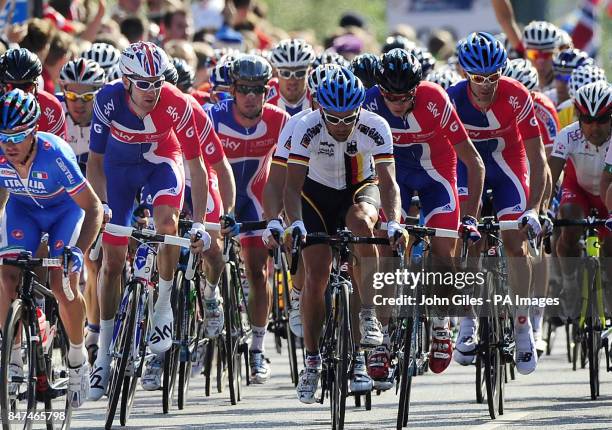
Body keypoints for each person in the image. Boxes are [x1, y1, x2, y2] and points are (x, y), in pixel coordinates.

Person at [87, 41, 211, 400]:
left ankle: (163, 307)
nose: (152, 91)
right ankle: (103, 356)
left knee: (167, 227)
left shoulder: (176, 103)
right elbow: (94, 163)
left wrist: (200, 221)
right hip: (119, 171)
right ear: (126, 80)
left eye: (156, 82)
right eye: (143, 83)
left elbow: (196, 168)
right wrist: (104, 206)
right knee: (111, 263)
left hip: (161, 165)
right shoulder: (107, 100)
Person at [283, 66, 408, 403]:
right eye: (333, 119)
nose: (340, 126)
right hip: (316, 196)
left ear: (359, 111)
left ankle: (368, 314)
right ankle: (311, 361)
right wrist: (295, 223)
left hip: (359, 190)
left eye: (347, 118)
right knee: (316, 274)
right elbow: (292, 187)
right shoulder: (306, 127)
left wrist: (394, 221)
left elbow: (389, 182)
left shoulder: (375, 126)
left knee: (363, 226)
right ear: (320, 109)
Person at [363, 48, 485, 377]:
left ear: (416, 89)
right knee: (386, 254)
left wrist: (470, 218)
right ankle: (383, 341)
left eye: (404, 97)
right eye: (390, 96)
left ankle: (441, 325)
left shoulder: (436, 99)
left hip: (437, 177)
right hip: (394, 181)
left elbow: (473, 162)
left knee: (444, 254)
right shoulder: (369, 102)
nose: (397, 103)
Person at [449, 32, 548, 375]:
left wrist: (534, 208)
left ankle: (522, 327)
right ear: (465, 73)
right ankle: (467, 321)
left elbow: (537, 158)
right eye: (478, 78)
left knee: (515, 243)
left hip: (508, 166)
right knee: (468, 241)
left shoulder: (517, 95)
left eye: (493, 76)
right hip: (467, 169)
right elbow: (444, 158)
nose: (487, 85)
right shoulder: (453, 99)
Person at [0, 89, 103, 408]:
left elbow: (94, 207)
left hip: (64, 213)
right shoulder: (2, 153)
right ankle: (13, 358)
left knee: (62, 283)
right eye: (4, 136)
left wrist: (79, 251)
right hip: (24, 213)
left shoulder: (54, 154)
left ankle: (77, 358)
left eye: (17, 136)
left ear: (33, 132)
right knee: (6, 277)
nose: (9, 145)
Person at [207, 54, 290, 384]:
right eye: (243, 89)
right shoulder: (212, 116)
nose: (251, 96)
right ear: (232, 89)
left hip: (256, 197)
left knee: (257, 269)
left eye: (258, 89)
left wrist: (277, 215)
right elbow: (202, 171)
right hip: (220, 193)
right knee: (208, 248)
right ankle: (209, 295)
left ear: (268, 90)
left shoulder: (281, 121)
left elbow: (283, 175)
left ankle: (257, 348)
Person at [263, 63, 342, 339]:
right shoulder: (298, 124)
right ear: (312, 97)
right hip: (305, 190)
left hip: (343, 192)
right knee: (302, 242)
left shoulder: (357, 122)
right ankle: (298, 294)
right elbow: (277, 179)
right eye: (320, 98)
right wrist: (276, 218)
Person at [57, 57, 107, 365]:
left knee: (94, 261)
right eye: (72, 96)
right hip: (65, 197)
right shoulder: (57, 120)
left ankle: (94, 330)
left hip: (99, 195)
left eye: (87, 96)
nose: (78, 103)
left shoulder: (107, 121)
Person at [549, 81, 611, 315]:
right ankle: (569, 281)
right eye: (587, 120)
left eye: (603, 119)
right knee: (570, 226)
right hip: (579, 190)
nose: (595, 128)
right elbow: (551, 176)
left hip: (609, 194)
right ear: (578, 117)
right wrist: (543, 209)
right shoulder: (568, 135)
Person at [0, 48, 67, 140]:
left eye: (26, 87)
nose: (18, 94)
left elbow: (58, 151)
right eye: (11, 87)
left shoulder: (51, 107)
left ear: (36, 84)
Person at [267, 39, 315, 115]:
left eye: (299, 73)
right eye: (285, 73)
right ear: (276, 73)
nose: (292, 81)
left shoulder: (318, 98)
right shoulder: (266, 96)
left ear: (309, 72)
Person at [522, 21, 560, 92]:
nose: (540, 61)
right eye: (533, 54)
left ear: (557, 54)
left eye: (547, 54)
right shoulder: (518, 81)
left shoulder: (565, 85)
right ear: (525, 55)